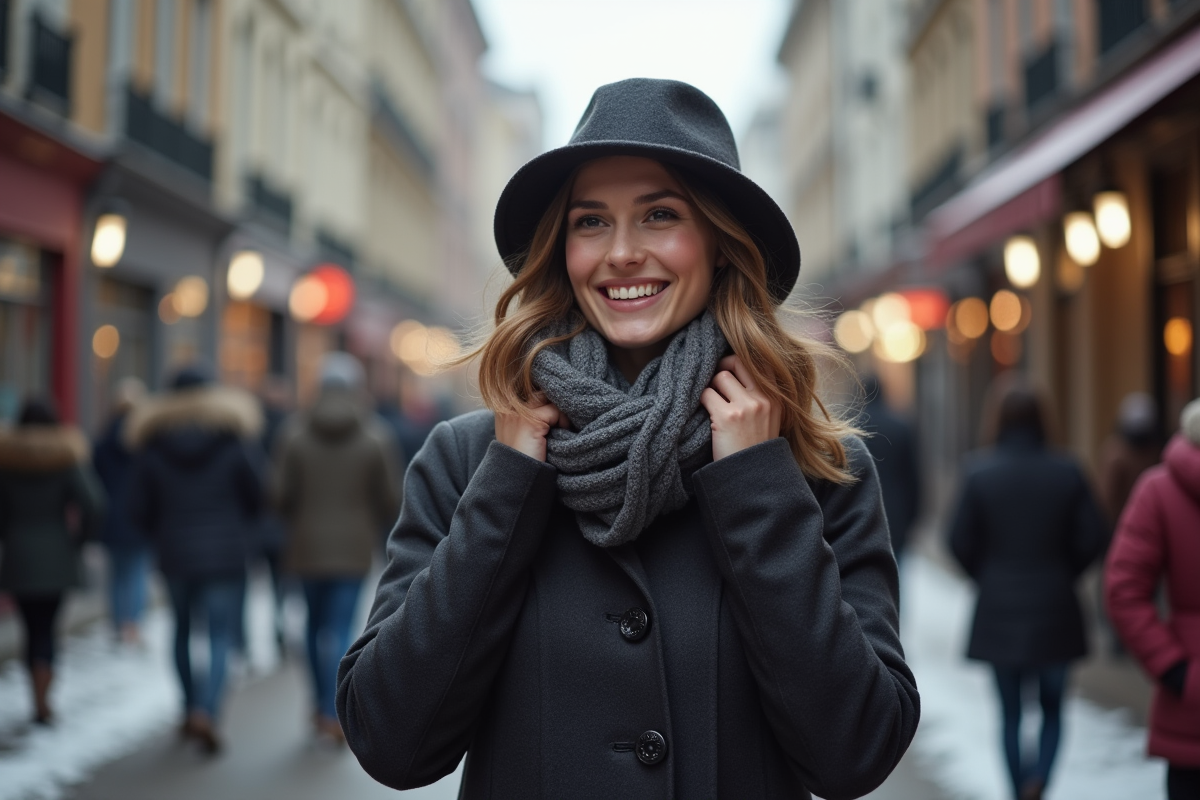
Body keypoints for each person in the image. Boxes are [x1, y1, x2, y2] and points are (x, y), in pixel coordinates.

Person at [337, 78, 918, 798]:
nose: (620, 252)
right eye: (590, 222)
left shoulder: (815, 467)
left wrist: (758, 488)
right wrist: (506, 487)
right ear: (562, 249)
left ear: (721, 244)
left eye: (659, 215)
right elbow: (390, 740)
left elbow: (856, 751)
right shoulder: (468, 460)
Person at [948, 376, 1107, 800]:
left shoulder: (979, 472)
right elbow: (1094, 536)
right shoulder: (1068, 471)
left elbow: (957, 540)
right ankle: (1039, 781)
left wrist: (988, 576)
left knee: (1010, 714)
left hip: (999, 611)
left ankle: (1018, 789)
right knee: (1053, 708)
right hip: (1056, 607)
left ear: (997, 418)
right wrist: (1064, 571)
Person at [125, 364, 264, 754]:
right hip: (225, 552)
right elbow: (257, 494)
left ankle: (189, 707)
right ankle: (207, 711)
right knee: (219, 634)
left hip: (175, 552)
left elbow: (137, 506)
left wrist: (160, 530)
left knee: (182, 631)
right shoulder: (232, 438)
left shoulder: (153, 443)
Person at [273, 353, 402, 744]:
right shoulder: (375, 436)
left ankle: (319, 706)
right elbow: (391, 498)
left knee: (313, 627)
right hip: (353, 549)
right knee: (342, 628)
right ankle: (336, 711)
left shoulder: (294, 434)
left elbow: (278, 494)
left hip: (307, 548)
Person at [1105, 398, 1200, 800]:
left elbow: (1123, 589)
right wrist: (1175, 670)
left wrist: (1175, 669)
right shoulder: (1160, 490)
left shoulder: (1156, 487)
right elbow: (1126, 589)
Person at [0, 397, 105, 724]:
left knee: (30, 627)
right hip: (58, 553)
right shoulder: (65, 458)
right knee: (48, 627)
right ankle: (45, 695)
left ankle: (36, 695)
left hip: (19, 554)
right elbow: (95, 504)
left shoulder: (7, 460)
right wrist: (79, 540)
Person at [93, 377, 150, 646]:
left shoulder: (103, 442)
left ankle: (118, 624)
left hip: (111, 515)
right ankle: (132, 626)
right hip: (139, 514)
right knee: (137, 571)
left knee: (116, 574)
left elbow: (95, 480)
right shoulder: (145, 442)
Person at [858, 373, 921, 565]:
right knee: (896, 570)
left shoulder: (852, 427)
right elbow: (913, 477)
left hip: (861, 514)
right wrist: (913, 516)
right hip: (896, 514)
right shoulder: (901, 427)